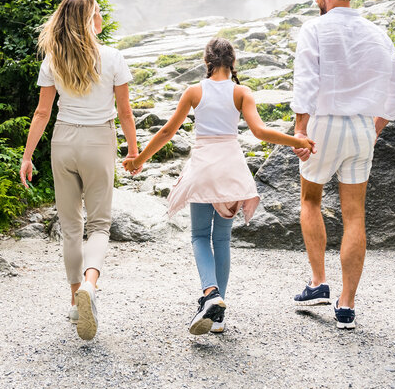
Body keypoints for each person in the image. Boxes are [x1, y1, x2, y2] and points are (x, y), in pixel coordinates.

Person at [124, 38, 315, 336]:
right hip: (231, 168)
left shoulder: (194, 91)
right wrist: (297, 140)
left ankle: (210, 294)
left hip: (203, 168)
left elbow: (167, 131)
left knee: (200, 236)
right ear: (233, 62)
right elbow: (260, 132)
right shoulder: (242, 92)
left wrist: (139, 160)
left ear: (207, 61)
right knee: (222, 239)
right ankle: (218, 316)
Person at [20, 0, 140, 342]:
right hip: (98, 141)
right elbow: (125, 112)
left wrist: (27, 156)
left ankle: (75, 300)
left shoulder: (52, 60)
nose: (101, 18)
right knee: (99, 224)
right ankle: (90, 285)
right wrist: (132, 151)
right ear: (89, 20)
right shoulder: (113, 57)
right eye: (98, 13)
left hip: (63, 141)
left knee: (71, 226)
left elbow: (42, 112)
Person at [291, 0, 395, 330]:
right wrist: (376, 127)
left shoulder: (314, 29)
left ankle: (318, 283)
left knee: (310, 200)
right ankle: (346, 305)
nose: (316, 2)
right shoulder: (377, 32)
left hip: (323, 125)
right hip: (361, 126)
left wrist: (300, 128)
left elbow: (306, 80)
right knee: (355, 214)